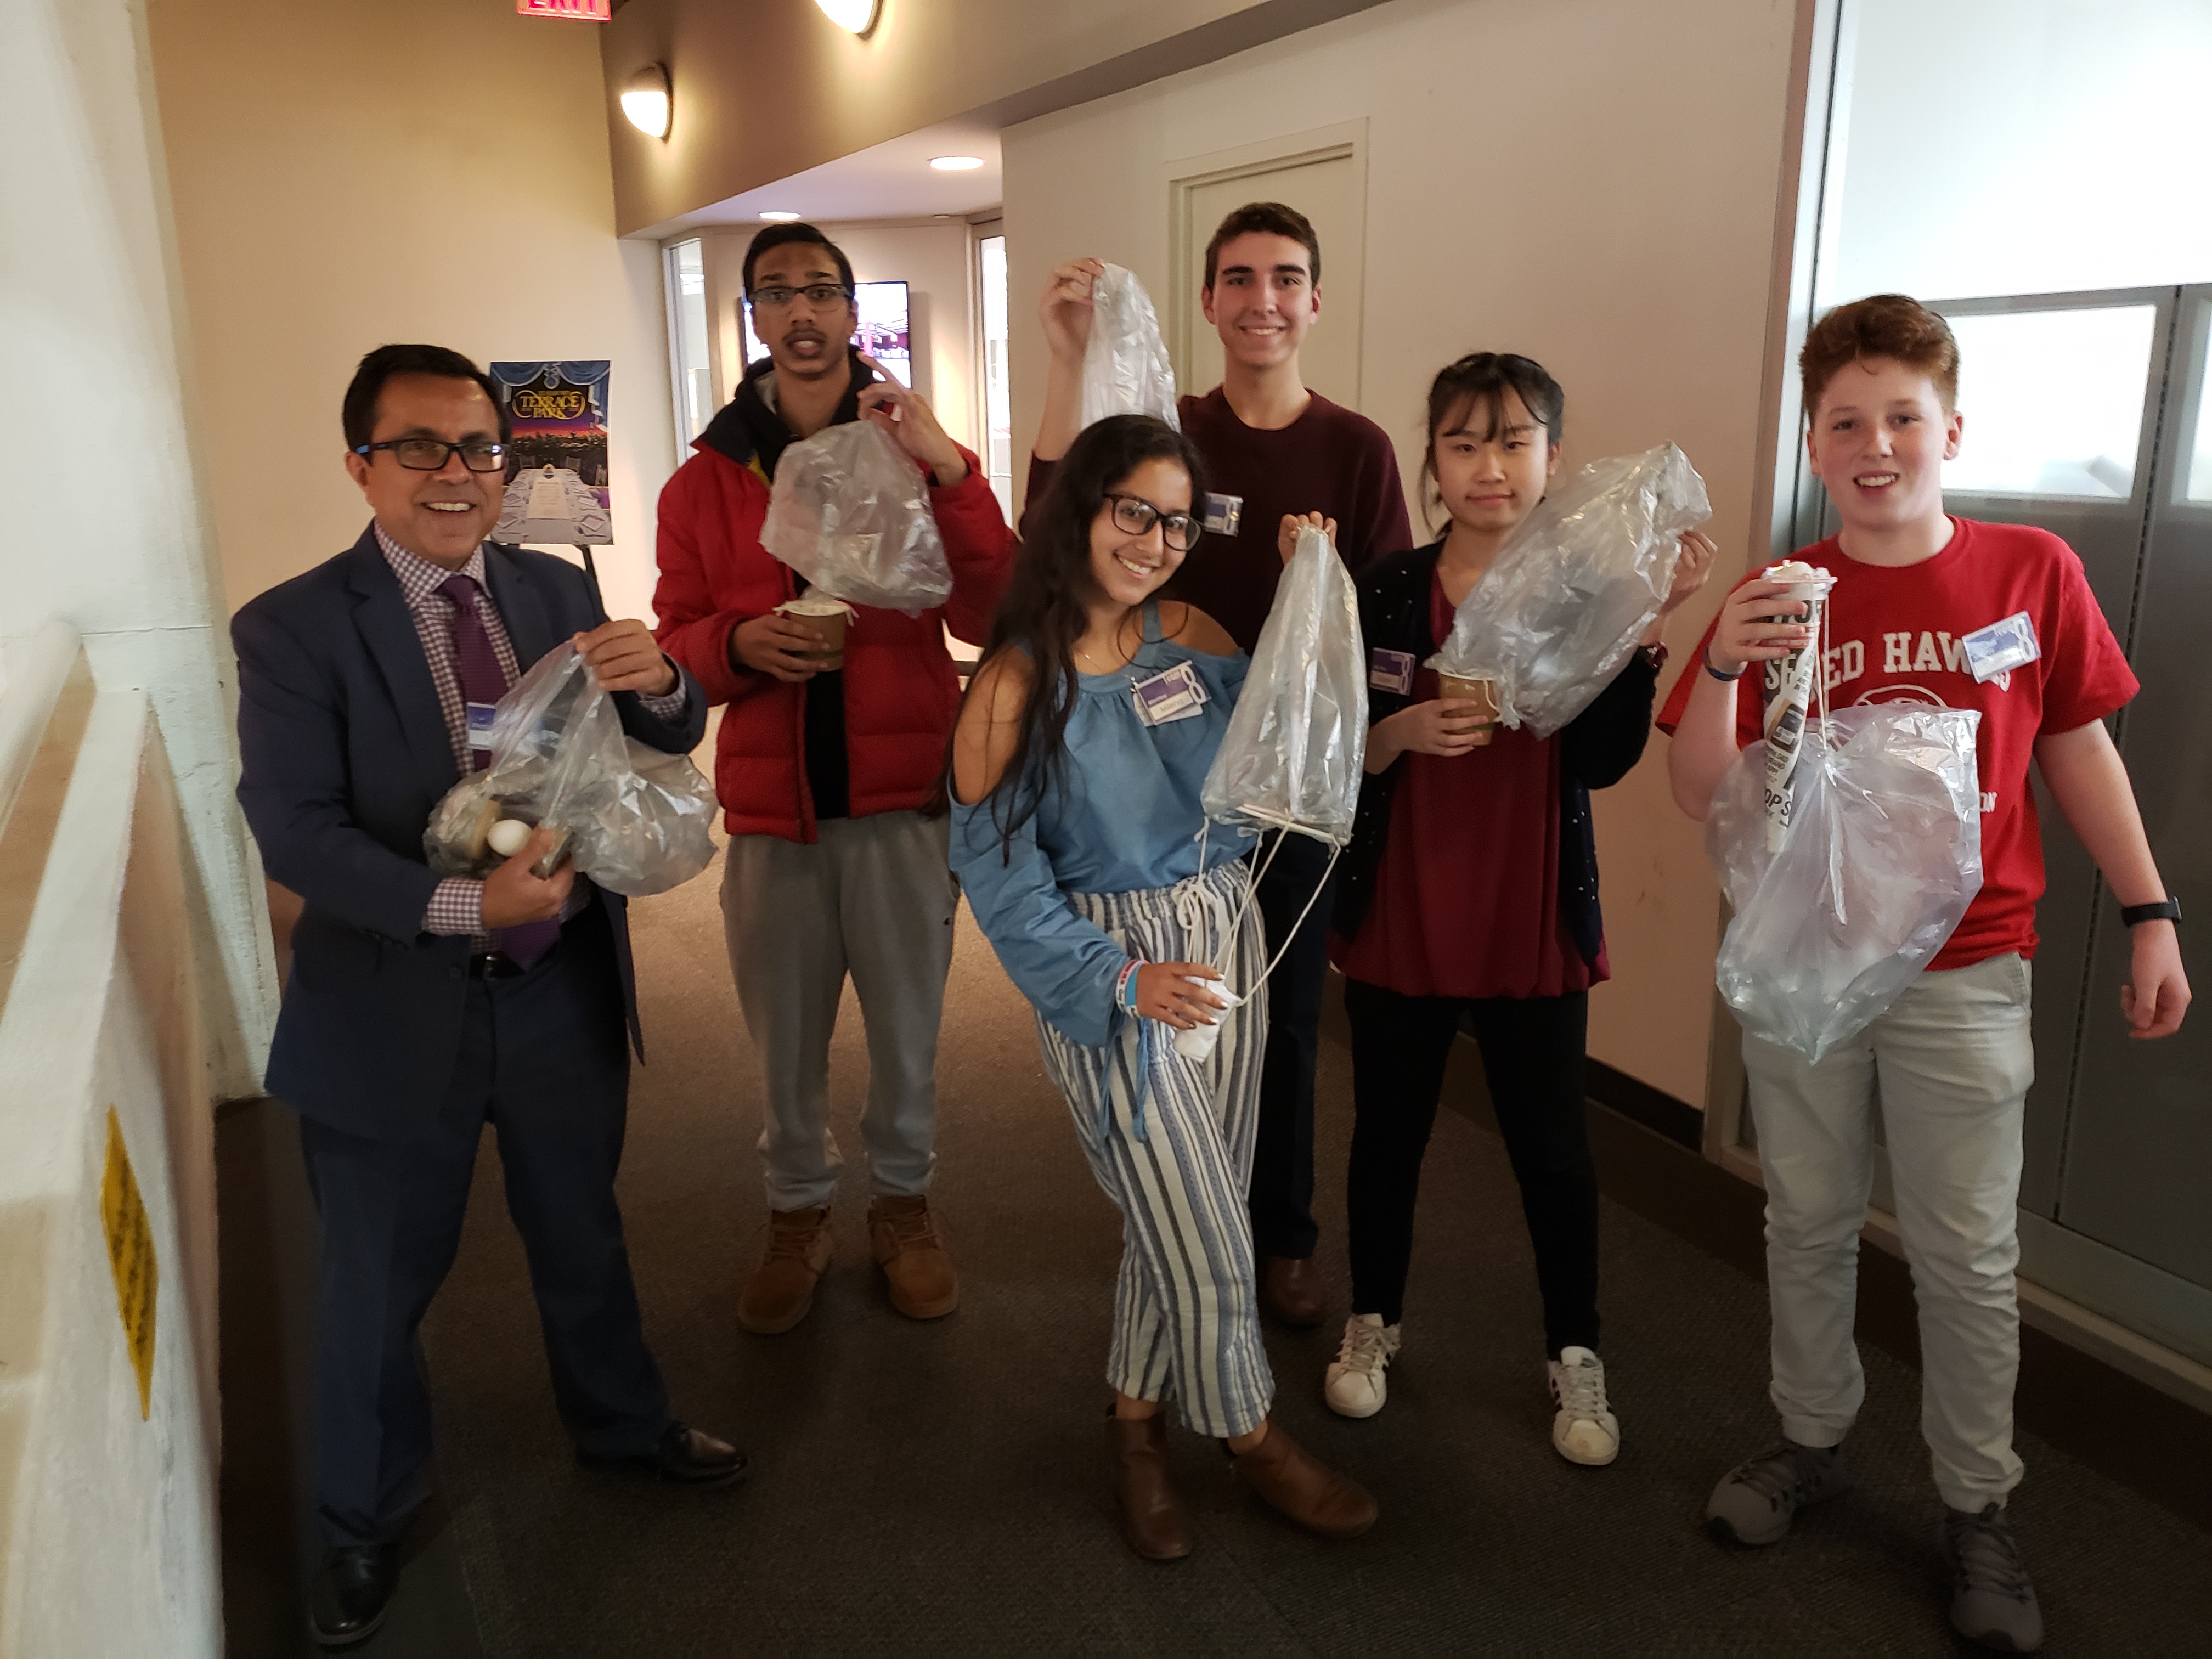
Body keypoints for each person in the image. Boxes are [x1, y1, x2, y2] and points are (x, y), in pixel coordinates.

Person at [1660, 294, 2191, 1654]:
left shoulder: (2029, 575)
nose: (1876, 442)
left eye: (1903, 415)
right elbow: (1701, 792)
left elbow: (2078, 746)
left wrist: (2149, 909)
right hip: (1811, 967)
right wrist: (1721, 659)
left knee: (1966, 1254)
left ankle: (1977, 1503)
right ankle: (1813, 1437)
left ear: (1952, 427)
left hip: (1970, 969)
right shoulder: (1780, 597)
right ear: (1816, 439)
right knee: (1808, 1219)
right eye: (1847, 420)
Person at [234, 345, 744, 1649]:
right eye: (421, 447)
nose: (456, 476)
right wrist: (467, 903)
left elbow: (663, 734)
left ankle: (621, 1424)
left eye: (478, 450)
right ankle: (360, 1517)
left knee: (582, 1226)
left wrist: (670, 683)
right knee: (377, 1282)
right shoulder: (292, 625)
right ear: (360, 462)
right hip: (391, 1003)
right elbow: (294, 832)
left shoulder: (554, 584)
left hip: (558, 990)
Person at [950, 413, 1378, 1561]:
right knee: (1200, 1218)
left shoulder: (1193, 635)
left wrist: (1303, 597)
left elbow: (1297, 736)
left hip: (1223, 935)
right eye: (1132, 509)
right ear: (1081, 510)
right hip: (1115, 972)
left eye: (1176, 520)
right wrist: (1122, 980)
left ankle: (1135, 1423)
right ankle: (1249, 1432)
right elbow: (996, 882)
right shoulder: (1012, 684)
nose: (1154, 539)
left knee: (1181, 1209)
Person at [1028, 202, 1415, 1328]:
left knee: (1284, 1012)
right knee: (1170, 1004)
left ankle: (1278, 1233)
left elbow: (1383, 629)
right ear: (1207, 301)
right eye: (1239, 279)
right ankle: (1174, 1217)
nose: (1263, 301)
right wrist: (1064, 356)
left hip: (1288, 788)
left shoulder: (1357, 450)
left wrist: (1326, 574)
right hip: (1162, 781)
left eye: (1286, 279)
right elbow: (1055, 520)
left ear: (1315, 300)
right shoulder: (1168, 432)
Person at [1323, 353, 1714, 1460]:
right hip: (1404, 904)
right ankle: (1373, 1325)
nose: (1489, 467)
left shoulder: (1586, 585)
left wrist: (1644, 628)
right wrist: (1390, 739)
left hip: (1528, 905)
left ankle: (1575, 1354)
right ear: (1434, 459)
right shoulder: (1388, 586)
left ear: (1552, 456)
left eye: (1512, 441)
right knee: (1388, 1137)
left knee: (1552, 1151)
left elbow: (1596, 763)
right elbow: (1325, 742)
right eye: (1463, 442)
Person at [653, 222, 1017, 1335]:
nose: (802, 314)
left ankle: (902, 1206)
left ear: (852, 313)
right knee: (784, 1040)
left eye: (821, 292)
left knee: (908, 1031)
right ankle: (797, 1210)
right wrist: (738, 646)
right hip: (774, 811)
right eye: (778, 295)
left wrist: (951, 469)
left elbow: (995, 614)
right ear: (754, 320)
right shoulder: (704, 479)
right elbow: (676, 644)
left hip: (903, 800)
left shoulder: (912, 451)